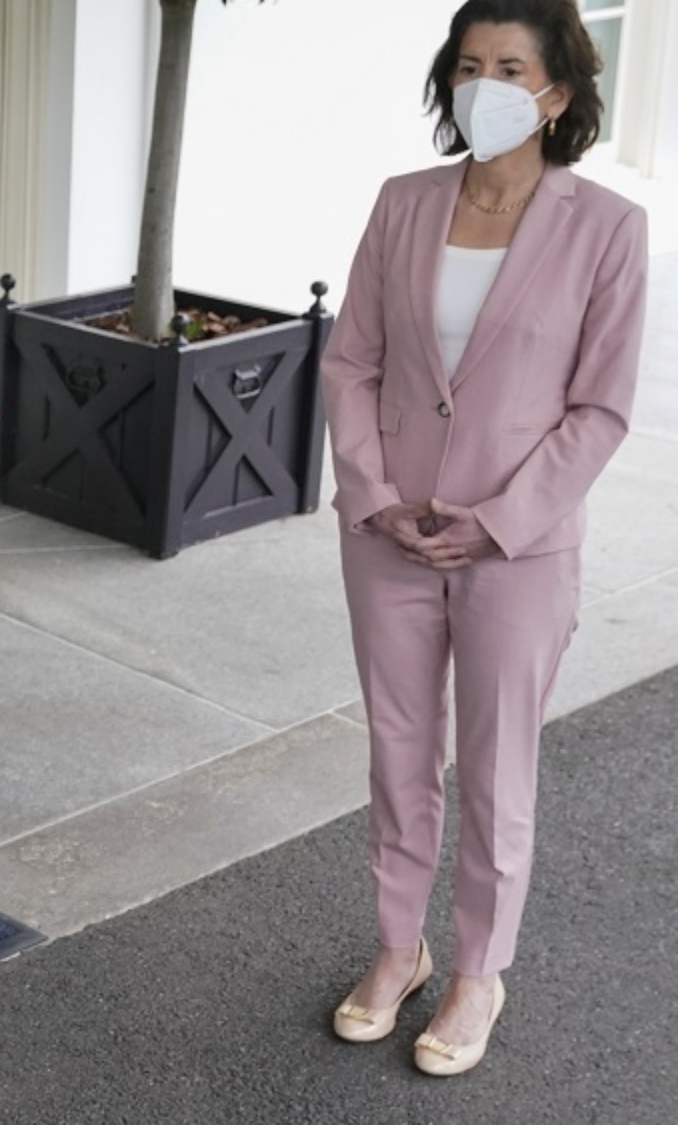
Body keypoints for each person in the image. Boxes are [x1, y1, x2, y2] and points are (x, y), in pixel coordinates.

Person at [322, 0, 644, 1079]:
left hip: (518, 545)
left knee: (498, 765)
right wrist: (372, 493)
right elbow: (351, 361)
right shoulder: (402, 202)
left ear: (557, 94)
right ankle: (398, 947)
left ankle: (477, 970)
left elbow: (598, 409)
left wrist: (502, 519)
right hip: (390, 531)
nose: (483, 86)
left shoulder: (607, 227)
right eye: (467, 65)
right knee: (397, 748)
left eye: (510, 67)